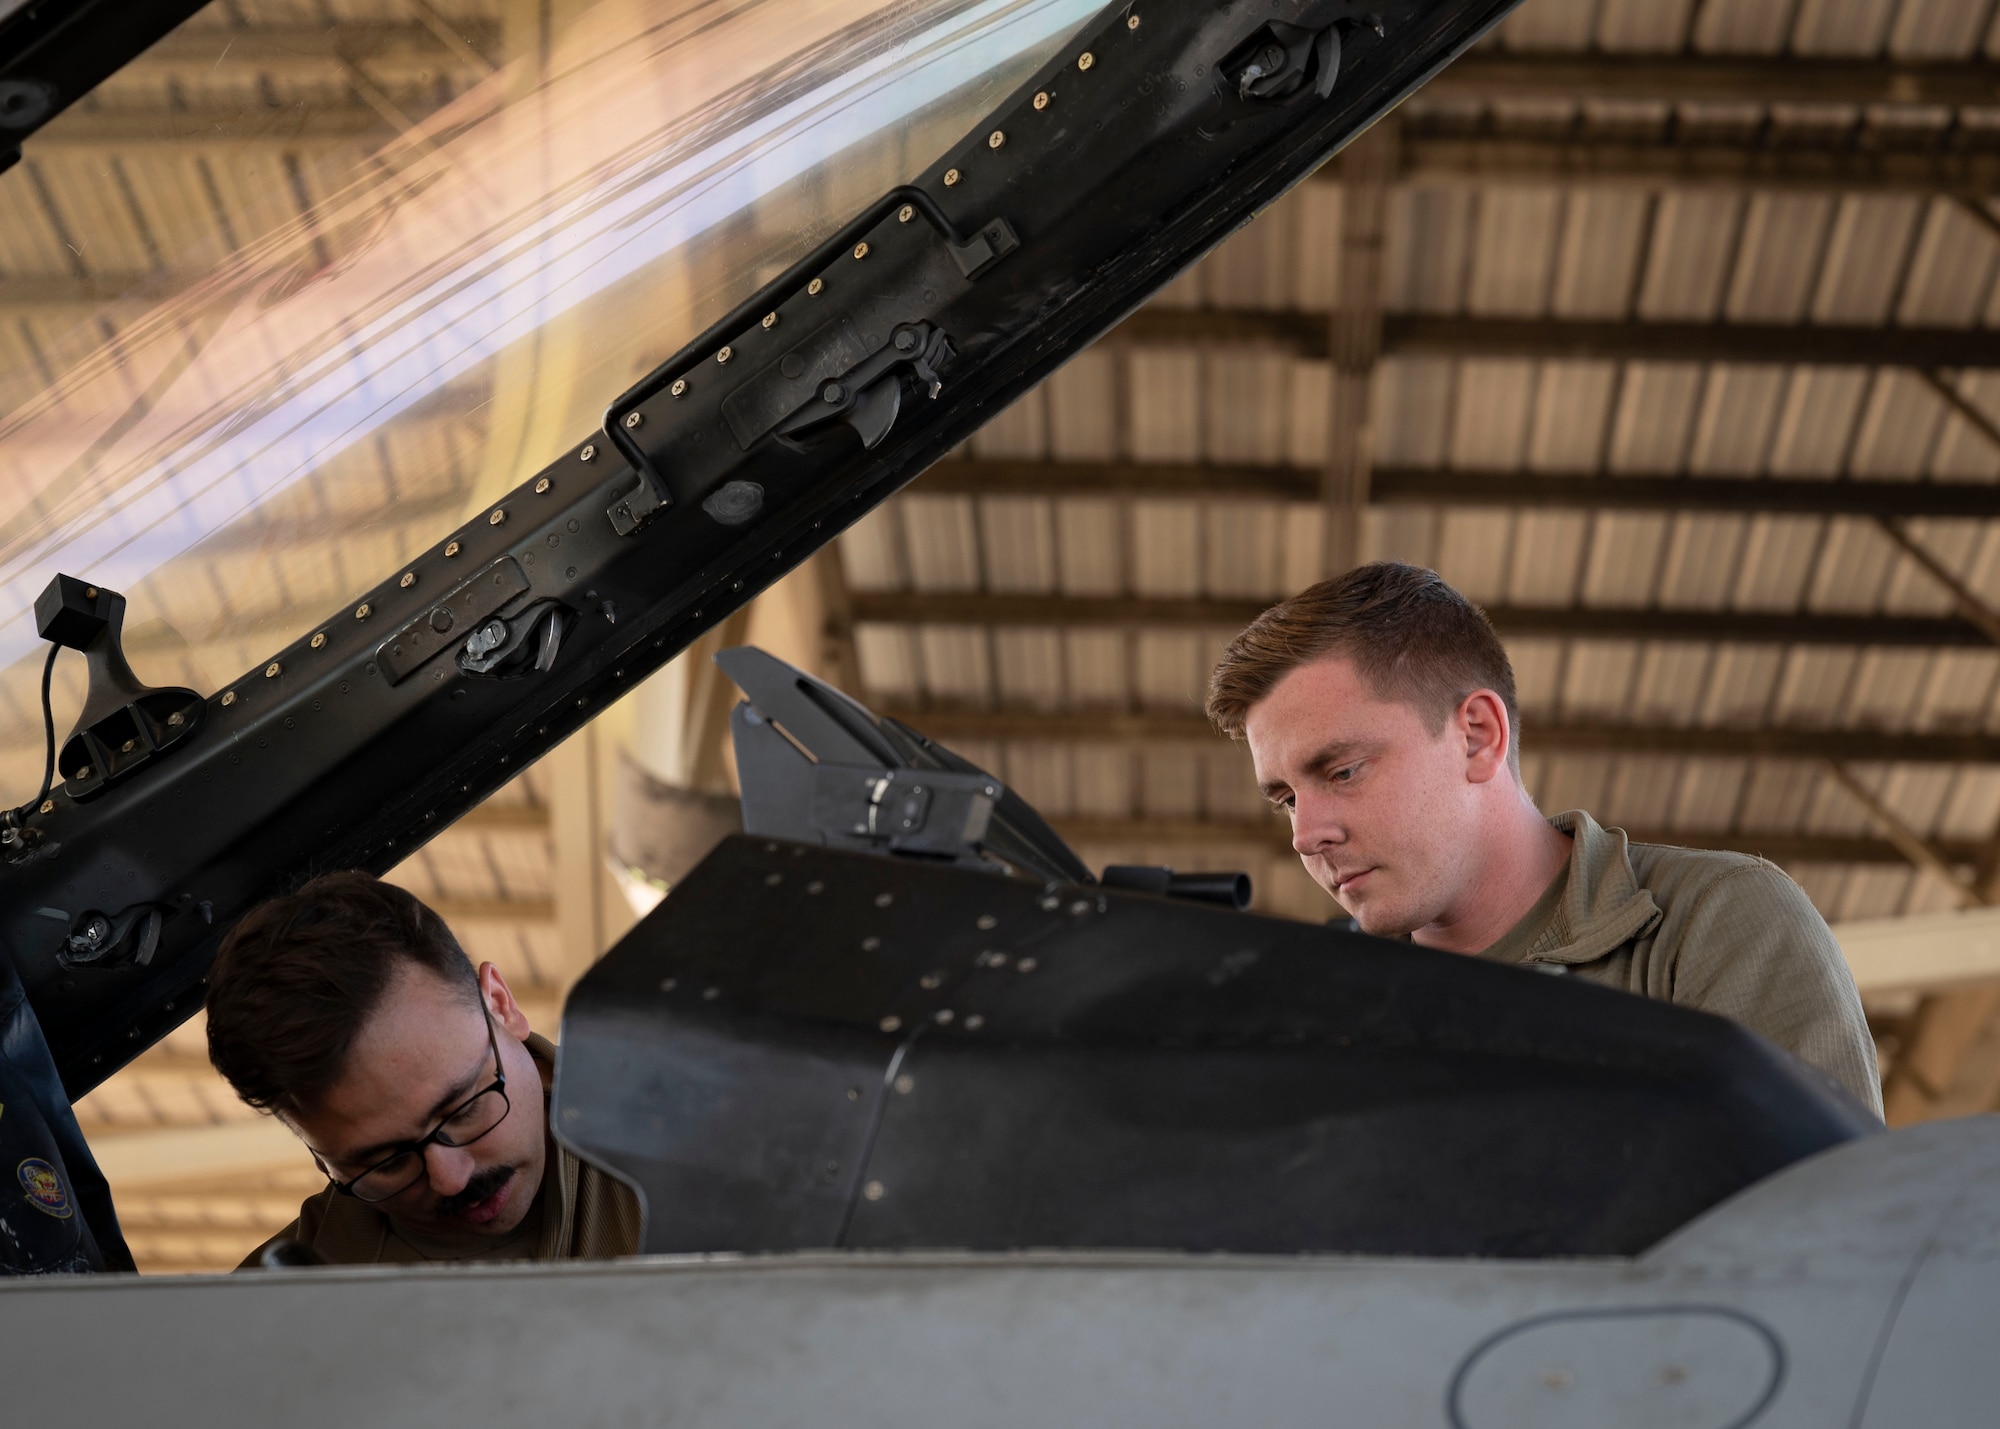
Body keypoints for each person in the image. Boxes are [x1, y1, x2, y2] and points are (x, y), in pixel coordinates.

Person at [1206, 562, 1884, 1118]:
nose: (1304, 834)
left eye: (1343, 770)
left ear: (1477, 734)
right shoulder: (1324, 1018)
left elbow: (1835, 1243)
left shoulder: (1713, 926)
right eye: (1287, 798)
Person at [204, 872, 641, 1266]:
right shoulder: (269, 1315)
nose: (450, 1180)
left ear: (501, 1006)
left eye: (464, 1109)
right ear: (322, 1161)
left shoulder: (699, 1136)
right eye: (387, 1163)